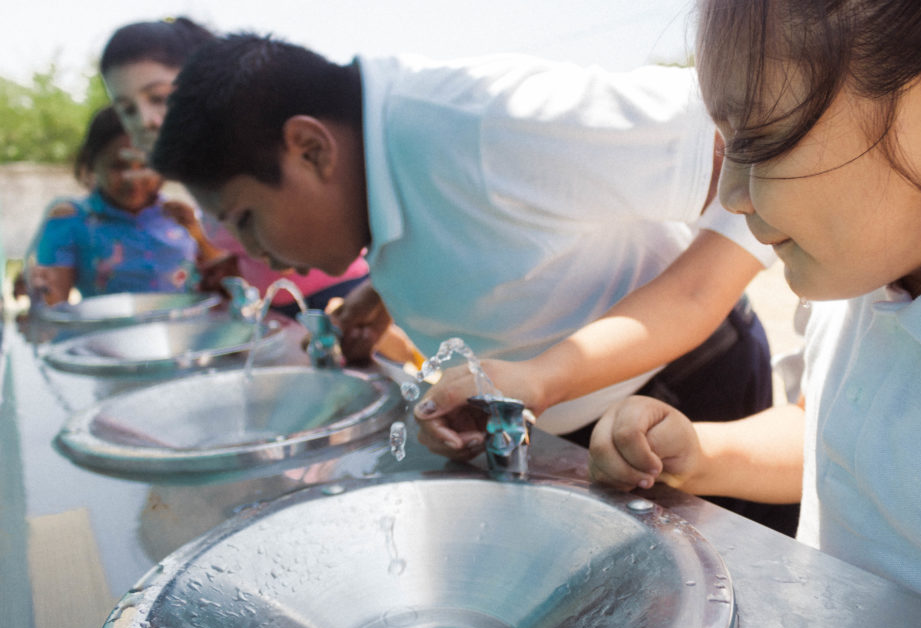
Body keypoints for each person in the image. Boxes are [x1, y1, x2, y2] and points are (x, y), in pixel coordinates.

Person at [150, 34, 801, 535]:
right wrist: (382, 294)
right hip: (559, 422)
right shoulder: (366, 170)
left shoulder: (486, 122)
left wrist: (547, 374)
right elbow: (473, 227)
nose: (255, 250)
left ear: (311, 149)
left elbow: (754, 141)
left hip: (681, 398)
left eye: (246, 219)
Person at [587, 0, 921, 628]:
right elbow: (828, 429)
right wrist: (702, 451)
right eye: (725, 146)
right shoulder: (864, 276)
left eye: (759, 138)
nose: (730, 194)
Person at [99, 16, 370, 319]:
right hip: (279, 305)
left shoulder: (260, 152)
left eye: (160, 98)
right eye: (127, 110)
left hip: (333, 295)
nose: (145, 120)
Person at [29, 106, 209, 304]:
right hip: (107, 334)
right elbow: (52, 307)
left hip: (183, 331)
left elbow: (222, 284)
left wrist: (201, 237)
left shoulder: (182, 217)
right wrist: (39, 289)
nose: (132, 179)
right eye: (118, 166)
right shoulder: (70, 218)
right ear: (92, 161)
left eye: (145, 165)